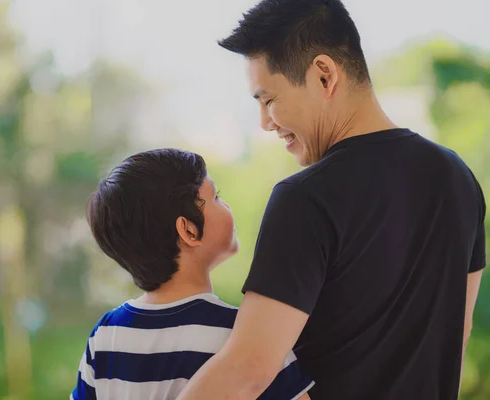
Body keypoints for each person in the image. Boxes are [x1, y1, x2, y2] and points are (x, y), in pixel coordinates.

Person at [176, 1, 486, 399]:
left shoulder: (304, 199)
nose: (265, 123)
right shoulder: (458, 178)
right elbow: (455, 338)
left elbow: (247, 370)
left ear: (324, 75)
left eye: (268, 100)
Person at [71, 149, 314, 400]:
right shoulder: (241, 337)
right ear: (188, 230)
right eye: (216, 197)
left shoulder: (106, 335)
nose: (227, 205)